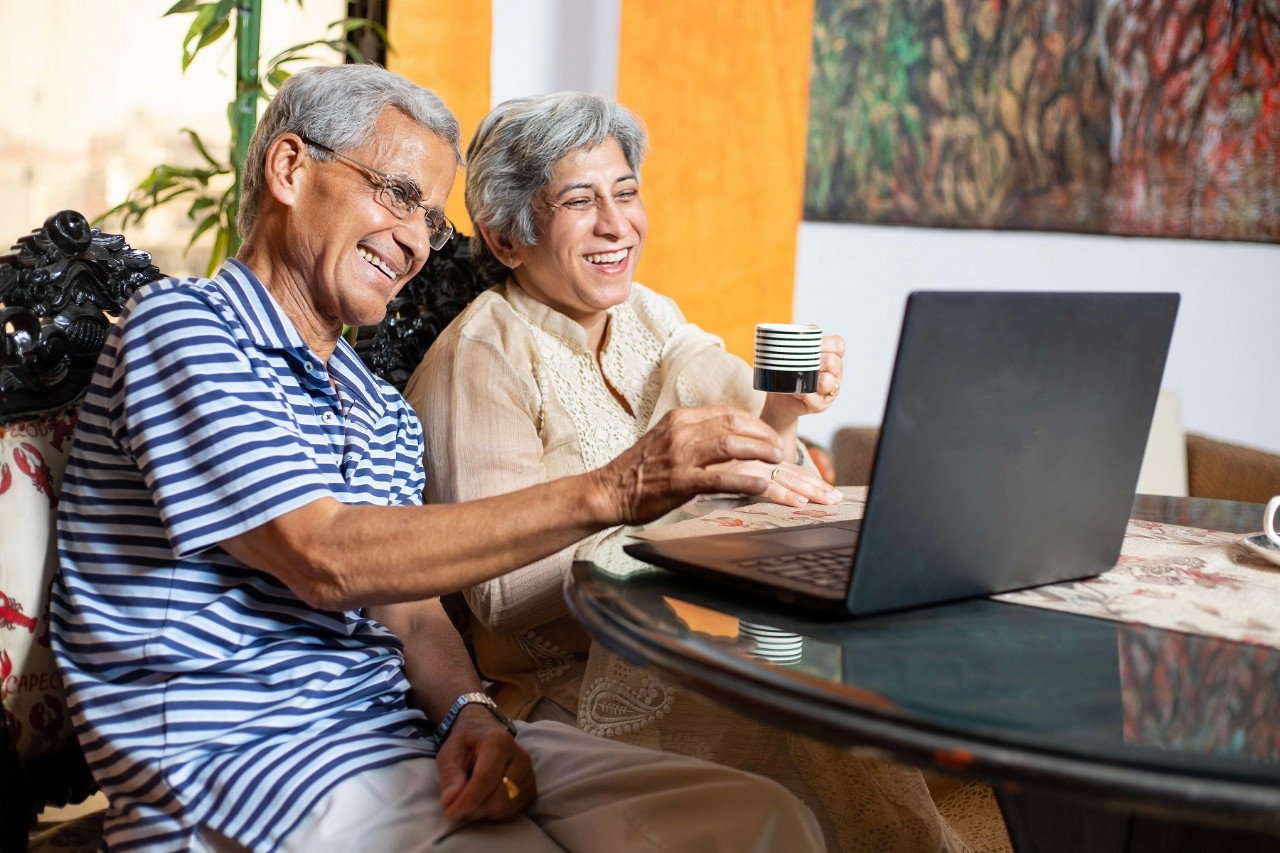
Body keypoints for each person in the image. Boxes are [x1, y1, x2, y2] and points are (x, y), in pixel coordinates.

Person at [47, 65, 828, 853]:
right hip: (251, 767)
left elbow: (413, 611)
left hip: (400, 745)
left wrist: (471, 711)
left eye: (430, 216)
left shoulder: (376, 404)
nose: (418, 239)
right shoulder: (185, 329)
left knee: (764, 819)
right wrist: (620, 488)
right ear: (291, 169)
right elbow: (323, 557)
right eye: (397, 193)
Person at [405, 92, 1011, 853]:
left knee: (874, 707)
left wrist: (785, 408)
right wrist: (657, 508)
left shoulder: (651, 317)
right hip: (575, 687)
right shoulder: (484, 356)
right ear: (505, 237)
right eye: (580, 201)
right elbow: (502, 593)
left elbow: (757, 449)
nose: (615, 223)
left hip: (695, 638)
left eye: (626, 192)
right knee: (820, 718)